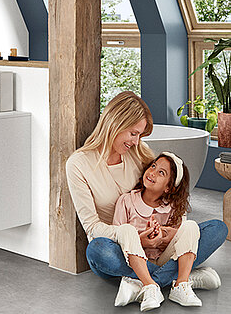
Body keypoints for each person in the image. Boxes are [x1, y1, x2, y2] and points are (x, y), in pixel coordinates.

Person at [65, 91, 228, 310]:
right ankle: (182, 277)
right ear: (115, 123)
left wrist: (171, 232)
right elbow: (92, 227)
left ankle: (142, 283)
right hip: (117, 247)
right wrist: (136, 240)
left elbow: (169, 191)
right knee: (97, 251)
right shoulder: (78, 164)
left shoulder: (138, 152)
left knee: (217, 228)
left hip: (159, 247)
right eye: (133, 133)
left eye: (139, 135)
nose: (135, 141)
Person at [111, 152, 199, 309]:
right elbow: (116, 238)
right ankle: (150, 285)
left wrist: (163, 235)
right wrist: (141, 240)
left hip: (163, 258)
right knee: (125, 230)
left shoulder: (173, 208)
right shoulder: (127, 201)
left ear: (168, 188)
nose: (152, 172)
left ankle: (181, 283)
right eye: (153, 166)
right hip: (134, 261)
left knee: (192, 226)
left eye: (161, 172)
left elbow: (181, 238)